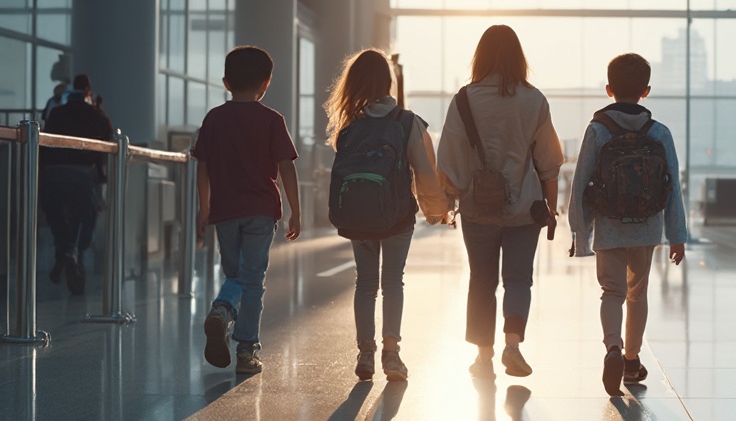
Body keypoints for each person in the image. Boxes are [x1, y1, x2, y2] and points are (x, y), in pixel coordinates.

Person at [437, 24, 563, 380]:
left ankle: (483, 356)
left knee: (481, 279)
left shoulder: (464, 99)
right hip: (525, 208)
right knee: (519, 278)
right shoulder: (534, 100)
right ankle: (512, 345)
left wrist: (453, 198)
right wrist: (551, 210)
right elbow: (549, 161)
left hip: (477, 209)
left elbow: (449, 157)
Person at [323, 48, 452, 382]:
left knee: (365, 284)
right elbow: (425, 172)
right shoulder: (406, 122)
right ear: (388, 82)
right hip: (397, 216)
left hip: (359, 216)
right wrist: (437, 210)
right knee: (393, 281)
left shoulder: (350, 124)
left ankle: (365, 352)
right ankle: (391, 354)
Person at [567, 53, 686, 397]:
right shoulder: (659, 132)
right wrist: (676, 236)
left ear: (609, 89)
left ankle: (612, 350)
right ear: (646, 91)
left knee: (612, 292)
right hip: (647, 227)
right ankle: (632, 361)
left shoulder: (597, 130)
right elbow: (673, 185)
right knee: (637, 294)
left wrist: (580, 231)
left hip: (608, 225)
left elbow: (580, 182)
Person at [193, 46, 301, 375]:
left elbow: (203, 167)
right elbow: (286, 168)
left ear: (226, 82)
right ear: (265, 83)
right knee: (252, 280)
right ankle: (245, 347)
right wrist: (296, 210)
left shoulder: (214, 118)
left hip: (224, 211)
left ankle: (223, 312)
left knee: (235, 274)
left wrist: (204, 208)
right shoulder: (272, 120)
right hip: (261, 209)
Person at [40, 74, 113, 294]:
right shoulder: (92, 112)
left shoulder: (57, 110)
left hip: (52, 173)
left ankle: (62, 254)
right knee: (86, 216)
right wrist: (98, 108)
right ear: (88, 92)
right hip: (80, 174)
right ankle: (73, 253)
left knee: (58, 219)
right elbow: (108, 133)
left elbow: (44, 136)